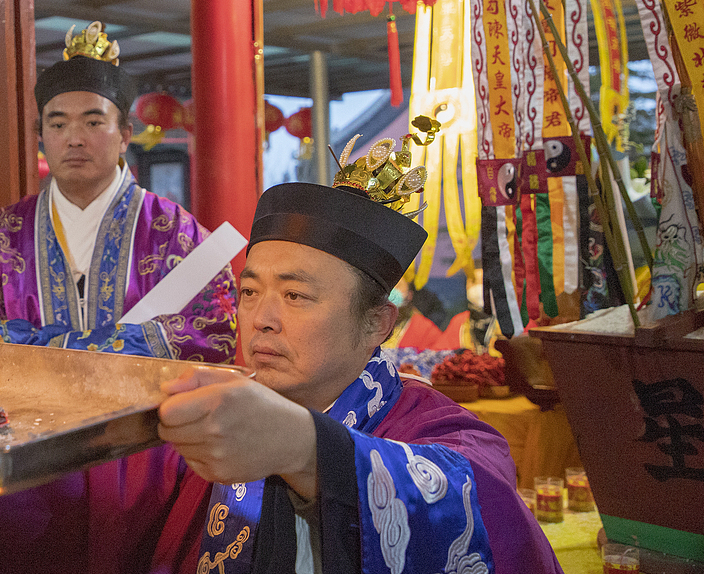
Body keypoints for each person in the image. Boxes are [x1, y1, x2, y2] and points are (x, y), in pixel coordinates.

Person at [0, 22, 238, 574]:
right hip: (24, 461)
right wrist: (99, 346)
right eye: (57, 124)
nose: (74, 138)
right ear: (42, 136)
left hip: (142, 453)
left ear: (125, 133)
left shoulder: (175, 231)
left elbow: (216, 332)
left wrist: (32, 342)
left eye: (92, 121)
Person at [153, 134, 562, 573]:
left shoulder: (437, 426)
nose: (261, 318)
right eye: (249, 291)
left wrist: (304, 447)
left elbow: (476, 493)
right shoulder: (212, 421)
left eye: (295, 295)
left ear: (378, 324)